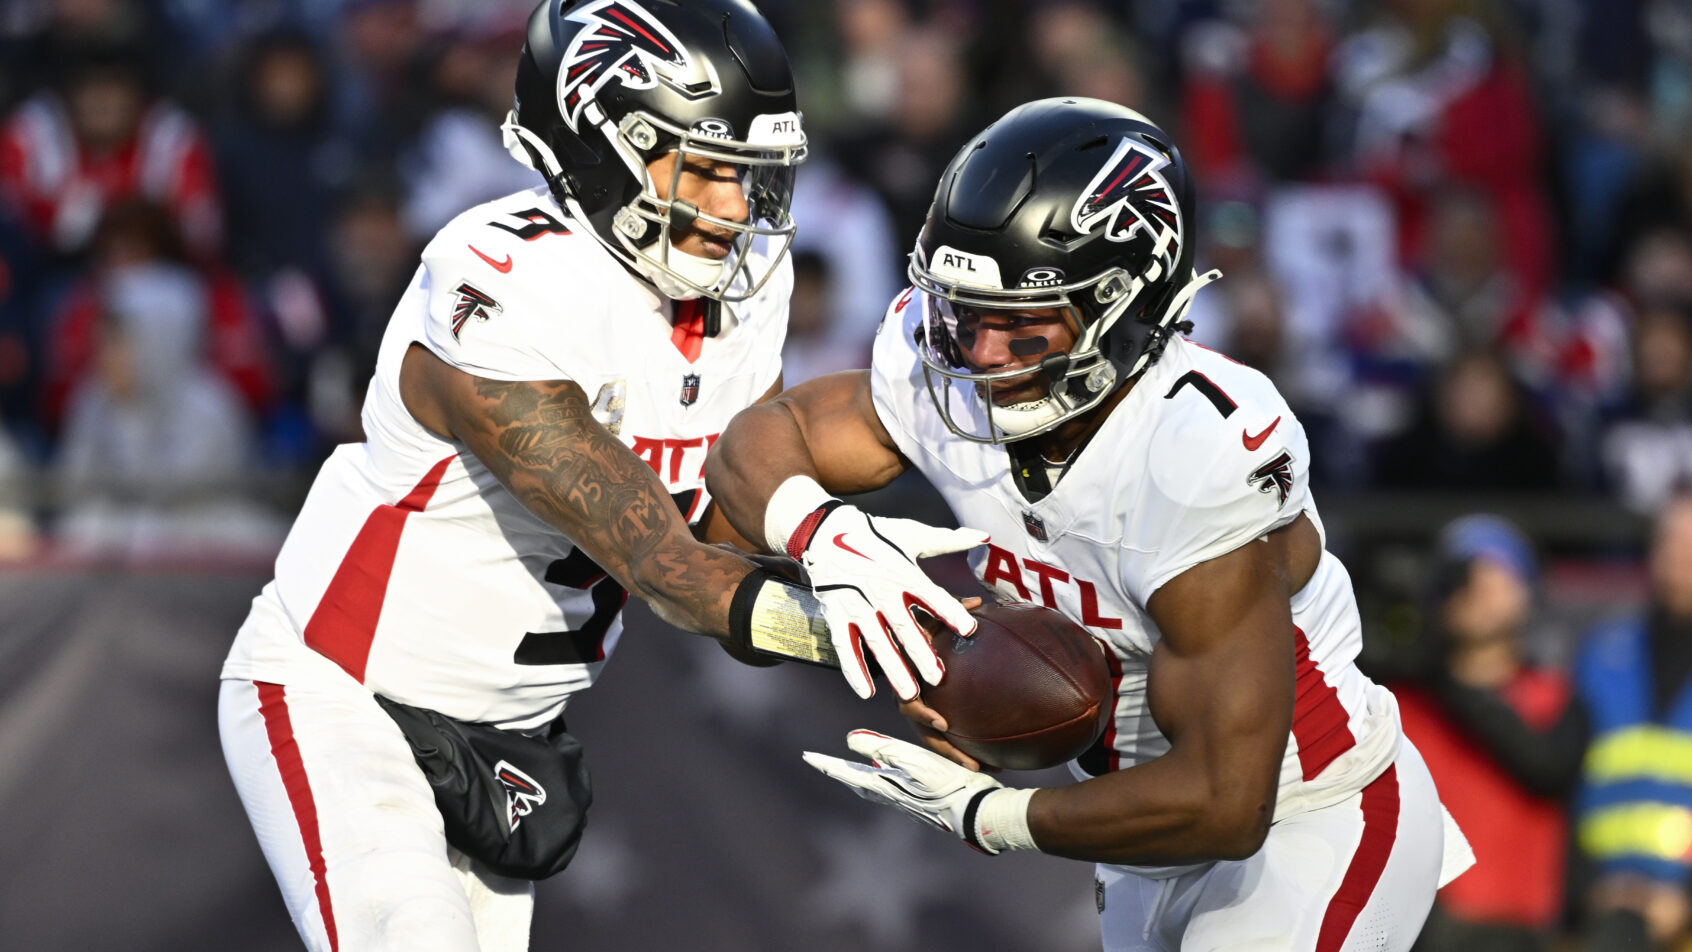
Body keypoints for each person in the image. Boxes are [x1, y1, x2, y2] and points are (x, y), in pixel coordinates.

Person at [217, 2, 976, 949]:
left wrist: (910, 642)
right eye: (706, 168)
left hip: (511, 739)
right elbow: (666, 566)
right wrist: (841, 631)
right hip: (346, 693)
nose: (735, 209)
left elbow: (723, 536)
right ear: (604, 146)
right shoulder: (507, 281)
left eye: (750, 173)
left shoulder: (742, 289)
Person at [705, 97, 1475, 951]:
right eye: (967, 312)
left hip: (1310, 812)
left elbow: (1228, 801)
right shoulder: (945, 367)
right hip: (1140, 839)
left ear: (1124, 306)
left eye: (1021, 323)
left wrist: (992, 816)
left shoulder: (1192, 452)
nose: (981, 354)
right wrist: (824, 536)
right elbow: (758, 441)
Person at [1393, 515, 1586, 952]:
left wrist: (1453, 685)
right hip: (1420, 933)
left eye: (1497, 573)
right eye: (1464, 575)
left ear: (1529, 594)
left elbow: (1547, 768)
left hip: (1520, 934)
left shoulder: (1557, 698)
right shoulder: (1402, 704)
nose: (1479, 587)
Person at [1572, 492, 1692, 952]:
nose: (1679, 555)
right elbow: (1563, 785)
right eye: (1670, 540)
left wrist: (1686, 901)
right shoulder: (1600, 655)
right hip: (1603, 914)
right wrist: (1588, 890)